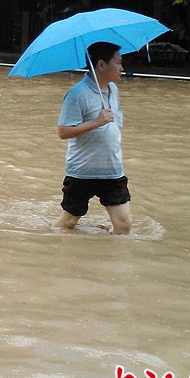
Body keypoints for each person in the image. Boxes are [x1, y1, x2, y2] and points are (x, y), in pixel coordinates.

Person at [53, 42, 132, 235]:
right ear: (101, 65)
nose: (122, 67)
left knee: (124, 225)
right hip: (82, 171)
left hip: (112, 170)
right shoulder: (77, 94)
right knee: (68, 222)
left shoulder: (114, 90)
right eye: (118, 62)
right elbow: (63, 132)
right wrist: (96, 122)